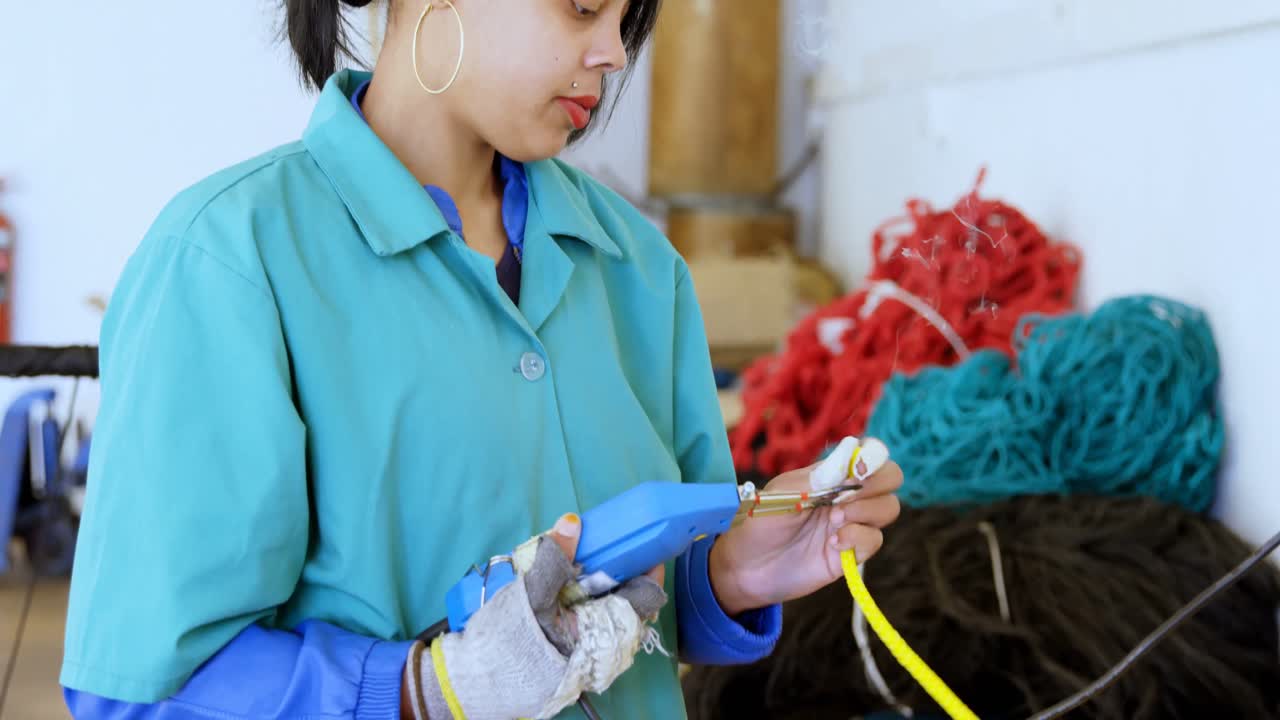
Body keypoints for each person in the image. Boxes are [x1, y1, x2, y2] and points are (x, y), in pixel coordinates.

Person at [59, 0, 904, 718]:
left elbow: (627, 615)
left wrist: (727, 571)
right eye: (581, 4)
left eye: (625, 15)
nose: (613, 51)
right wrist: (425, 691)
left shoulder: (639, 271)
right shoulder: (227, 260)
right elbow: (140, 690)